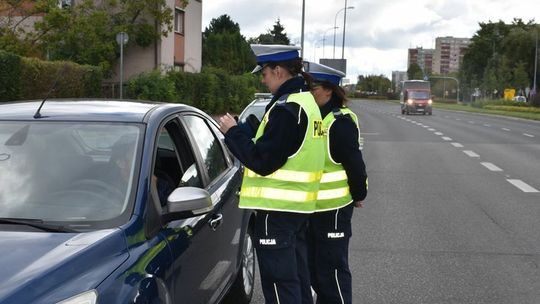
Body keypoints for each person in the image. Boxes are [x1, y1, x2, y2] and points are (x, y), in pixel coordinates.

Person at [218, 44, 325, 304]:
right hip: (297, 209)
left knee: (280, 286)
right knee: (296, 281)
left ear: (278, 70)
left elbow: (263, 161)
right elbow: (281, 149)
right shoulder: (305, 102)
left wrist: (232, 132)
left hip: (276, 211)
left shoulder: (288, 109)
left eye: (264, 73)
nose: (263, 79)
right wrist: (245, 131)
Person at [305, 61, 368, 304]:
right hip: (311, 208)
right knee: (315, 271)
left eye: (314, 88)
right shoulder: (315, 119)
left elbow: (355, 164)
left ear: (329, 90)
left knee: (331, 272)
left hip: (332, 210)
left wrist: (358, 194)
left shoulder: (340, 122)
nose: (310, 93)